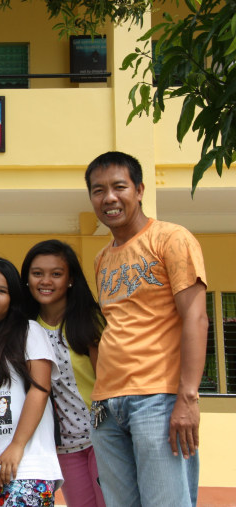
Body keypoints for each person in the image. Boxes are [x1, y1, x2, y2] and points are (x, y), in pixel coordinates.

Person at [85, 151, 208, 506]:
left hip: (159, 399)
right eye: (98, 190)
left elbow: (196, 318)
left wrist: (188, 397)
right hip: (107, 407)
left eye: (119, 186)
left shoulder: (171, 238)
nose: (109, 197)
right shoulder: (102, 258)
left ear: (139, 190)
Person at [0, 257, 62, 507]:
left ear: (12, 298)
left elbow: (40, 391)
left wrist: (17, 447)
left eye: (2, 291)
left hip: (27, 466)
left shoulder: (28, 331)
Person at [21, 239, 106, 507]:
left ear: (70, 280)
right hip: (63, 445)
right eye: (37, 273)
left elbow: (110, 382)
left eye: (56, 274)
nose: (46, 281)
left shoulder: (89, 321)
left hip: (102, 437)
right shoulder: (26, 329)